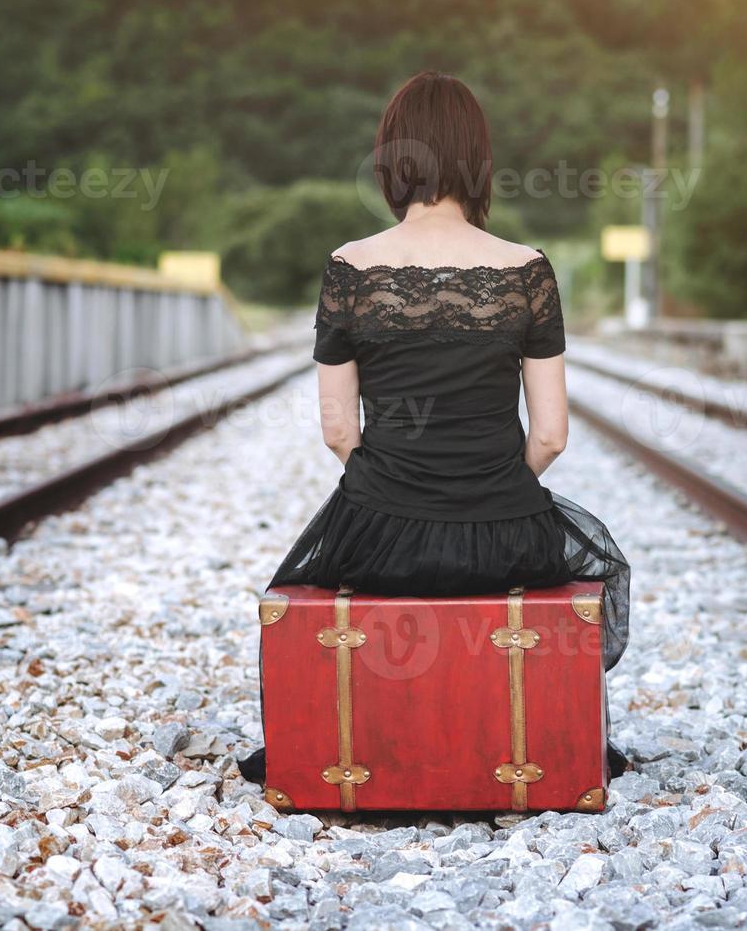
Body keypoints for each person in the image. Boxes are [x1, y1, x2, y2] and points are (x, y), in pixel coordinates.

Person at [240, 70, 630, 784]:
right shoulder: (526, 270)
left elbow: (336, 430)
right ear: (477, 159)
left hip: (379, 537)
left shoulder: (349, 268)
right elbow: (550, 435)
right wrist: (491, 486)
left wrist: (394, 487)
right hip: (504, 537)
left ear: (392, 159)